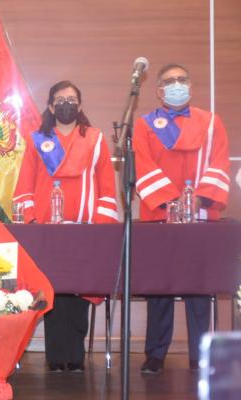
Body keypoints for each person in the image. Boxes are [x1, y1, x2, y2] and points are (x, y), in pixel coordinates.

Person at [12, 80, 119, 372]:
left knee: (78, 291)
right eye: (60, 100)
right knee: (53, 292)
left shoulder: (95, 139)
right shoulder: (37, 139)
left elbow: (107, 186)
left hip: (85, 230)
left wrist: (99, 225)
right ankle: (55, 358)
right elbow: (24, 186)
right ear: (50, 106)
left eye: (72, 99)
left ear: (80, 105)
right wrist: (32, 223)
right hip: (47, 232)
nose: (66, 104)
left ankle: (75, 356)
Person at [133, 63, 230, 373]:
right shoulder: (144, 125)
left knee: (199, 287)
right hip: (159, 216)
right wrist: (172, 202)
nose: (177, 84)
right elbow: (144, 167)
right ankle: (155, 354)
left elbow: (219, 164)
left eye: (182, 79)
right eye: (170, 81)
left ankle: (201, 354)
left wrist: (196, 200)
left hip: (201, 216)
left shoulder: (212, 122)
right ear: (159, 89)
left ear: (190, 84)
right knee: (159, 287)